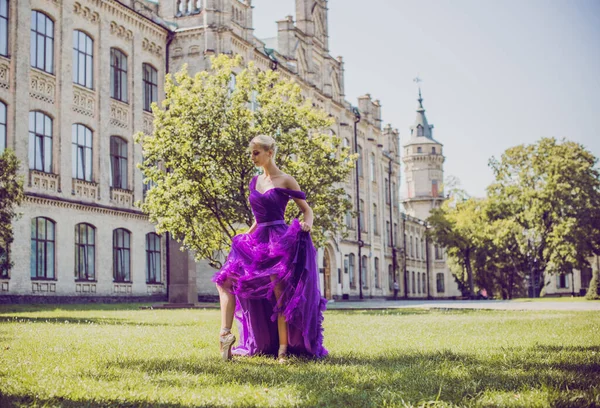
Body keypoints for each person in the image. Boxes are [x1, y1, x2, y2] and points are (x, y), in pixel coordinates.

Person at [213, 134, 328, 362]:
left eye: (256, 152)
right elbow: (258, 217)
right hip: (258, 238)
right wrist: (246, 234)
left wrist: (307, 224)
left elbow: (307, 210)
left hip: (279, 239)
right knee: (225, 280)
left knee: (279, 292)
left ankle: (283, 350)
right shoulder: (254, 181)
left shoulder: (286, 180)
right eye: (251, 153)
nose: (253, 157)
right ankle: (225, 334)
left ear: (269, 153)